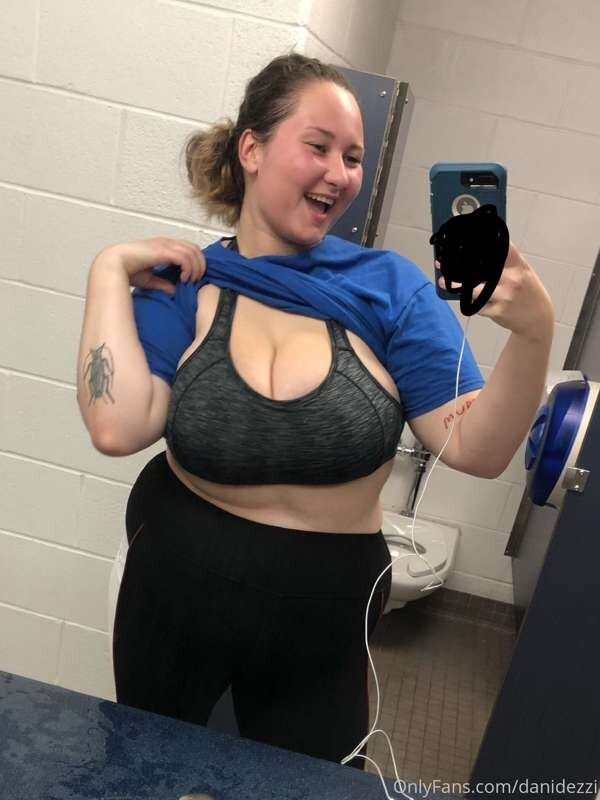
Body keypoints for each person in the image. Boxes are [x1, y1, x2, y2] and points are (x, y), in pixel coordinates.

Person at [76, 51, 554, 770]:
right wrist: (107, 271)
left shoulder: (389, 289)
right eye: (320, 146)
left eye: (353, 157)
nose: (341, 173)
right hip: (171, 588)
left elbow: (477, 450)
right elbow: (117, 426)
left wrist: (533, 333)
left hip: (323, 613)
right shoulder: (189, 280)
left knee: (307, 783)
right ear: (252, 149)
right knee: (145, 771)